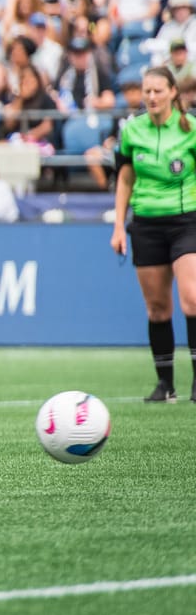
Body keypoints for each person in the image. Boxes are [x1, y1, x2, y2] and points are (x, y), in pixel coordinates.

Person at [110, 67, 196, 404]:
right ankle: (165, 385)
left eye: (158, 90)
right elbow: (125, 179)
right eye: (147, 91)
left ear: (173, 92)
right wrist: (119, 225)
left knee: (191, 298)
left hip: (187, 219)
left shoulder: (191, 130)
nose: (151, 97)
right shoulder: (132, 131)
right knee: (158, 308)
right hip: (146, 222)